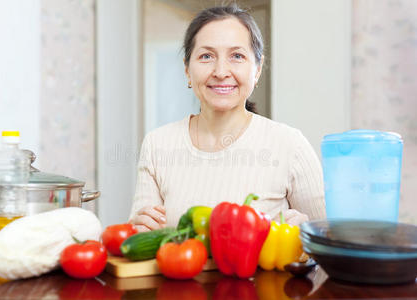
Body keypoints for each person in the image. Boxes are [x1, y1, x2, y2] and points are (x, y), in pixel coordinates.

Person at [129, 4, 325, 232]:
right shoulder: (157, 145)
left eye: (237, 56)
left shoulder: (290, 145)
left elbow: (330, 256)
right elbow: (139, 247)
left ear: (258, 69)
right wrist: (137, 228)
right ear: (187, 70)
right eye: (206, 56)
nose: (221, 71)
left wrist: (307, 240)